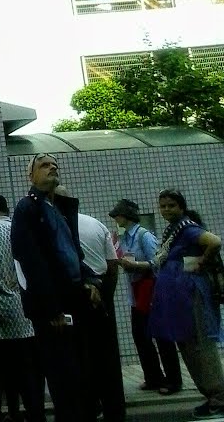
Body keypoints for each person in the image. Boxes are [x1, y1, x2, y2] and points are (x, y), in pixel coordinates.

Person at [10, 154, 101, 422]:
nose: (52, 168)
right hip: (53, 307)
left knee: (82, 371)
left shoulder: (59, 208)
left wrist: (89, 280)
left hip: (74, 298)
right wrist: (52, 309)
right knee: (64, 374)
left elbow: (73, 252)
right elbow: (31, 262)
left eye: (54, 165)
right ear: (31, 175)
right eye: (44, 165)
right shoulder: (28, 209)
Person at [143, 189, 224, 419]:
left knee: (201, 346)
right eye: (163, 206)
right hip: (179, 299)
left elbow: (214, 242)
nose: (166, 210)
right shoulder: (173, 232)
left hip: (193, 296)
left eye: (171, 205)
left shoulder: (187, 229)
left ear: (181, 207)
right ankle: (211, 397)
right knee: (188, 346)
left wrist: (201, 261)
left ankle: (219, 397)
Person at [0, 194, 44, 422]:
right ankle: (34, 412)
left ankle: (3, 414)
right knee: (28, 369)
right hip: (25, 312)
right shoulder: (21, 229)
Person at [110, 198, 182, 395]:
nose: (116, 218)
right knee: (140, 336)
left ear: (127, 216)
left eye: (119, 215)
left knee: (161, 336)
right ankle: (153, 377)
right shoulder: (124, 237)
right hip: (136, 294)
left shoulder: (144, 236)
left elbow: (158, 262)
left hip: (152, 293)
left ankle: (174, 380)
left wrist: (137, 266)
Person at [74, 203, 126, 422]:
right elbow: (112, 263)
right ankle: (114, 408)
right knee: (107, 353)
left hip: (76, 292)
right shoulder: (94, 223)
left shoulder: (56, 226)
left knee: (81, 353)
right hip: (103, 287)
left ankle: (89, 404)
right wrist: (107, 296)